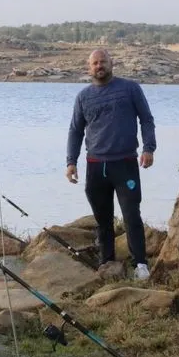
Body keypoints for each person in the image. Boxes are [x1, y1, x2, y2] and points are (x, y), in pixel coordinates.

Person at [66, 49, 156, 280]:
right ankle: (107, 263)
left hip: (125, 163)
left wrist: (148, 148)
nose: (99, 66)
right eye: (95, 63)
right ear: (89, 68)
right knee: (102, 219)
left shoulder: (130, 88)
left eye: (103, 61)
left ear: (111, 63)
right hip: (96, 166)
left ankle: (140, 264)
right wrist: (71, 162)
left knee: (131, 215)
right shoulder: (83, 97)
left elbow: (146, 119)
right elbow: (75, 131)